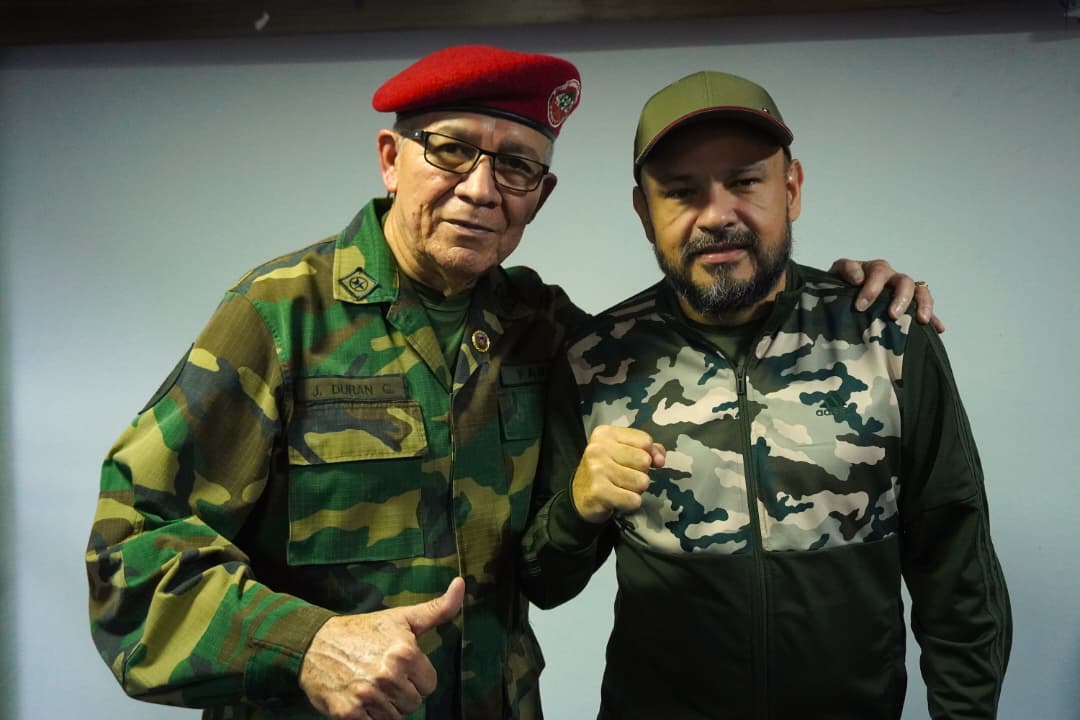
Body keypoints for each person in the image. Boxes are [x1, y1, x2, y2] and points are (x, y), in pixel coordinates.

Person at [85, 45, 939, 720]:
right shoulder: (281, 317)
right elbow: (129, 556)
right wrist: (306, 643)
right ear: (390, 159)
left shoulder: (544, 330)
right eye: (451, 150)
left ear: (542, 194)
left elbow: (698, 320)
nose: (480, 189)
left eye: (517, 166)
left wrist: (844, 298)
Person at [521, 71, 1011, 720]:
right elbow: (543, 582)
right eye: (681, 192)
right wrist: (577, 509)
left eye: (746, 182)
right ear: (645, 213)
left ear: (792, 189)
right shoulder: (594, 359)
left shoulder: (886, 338)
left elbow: (959, 574)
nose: (717, 215)